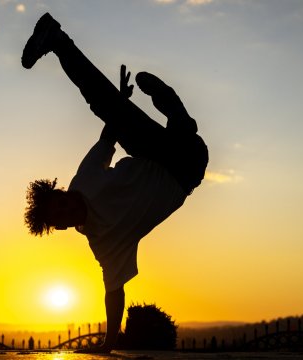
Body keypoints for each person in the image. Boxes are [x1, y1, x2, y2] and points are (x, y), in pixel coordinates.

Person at [21, 13, 208, 353]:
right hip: (185, 172)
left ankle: (57, 39)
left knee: (104, 106)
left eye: (61, 200)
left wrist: (118, 102)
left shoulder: (84, 178)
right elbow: (114, 292)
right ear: (62, 228)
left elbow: (109, 135)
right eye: (61, 215)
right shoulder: (104, 245)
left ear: (62, 191)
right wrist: (108, 344)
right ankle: (178, 115)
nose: (68, 206)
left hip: (158, 151)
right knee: (167, 133)